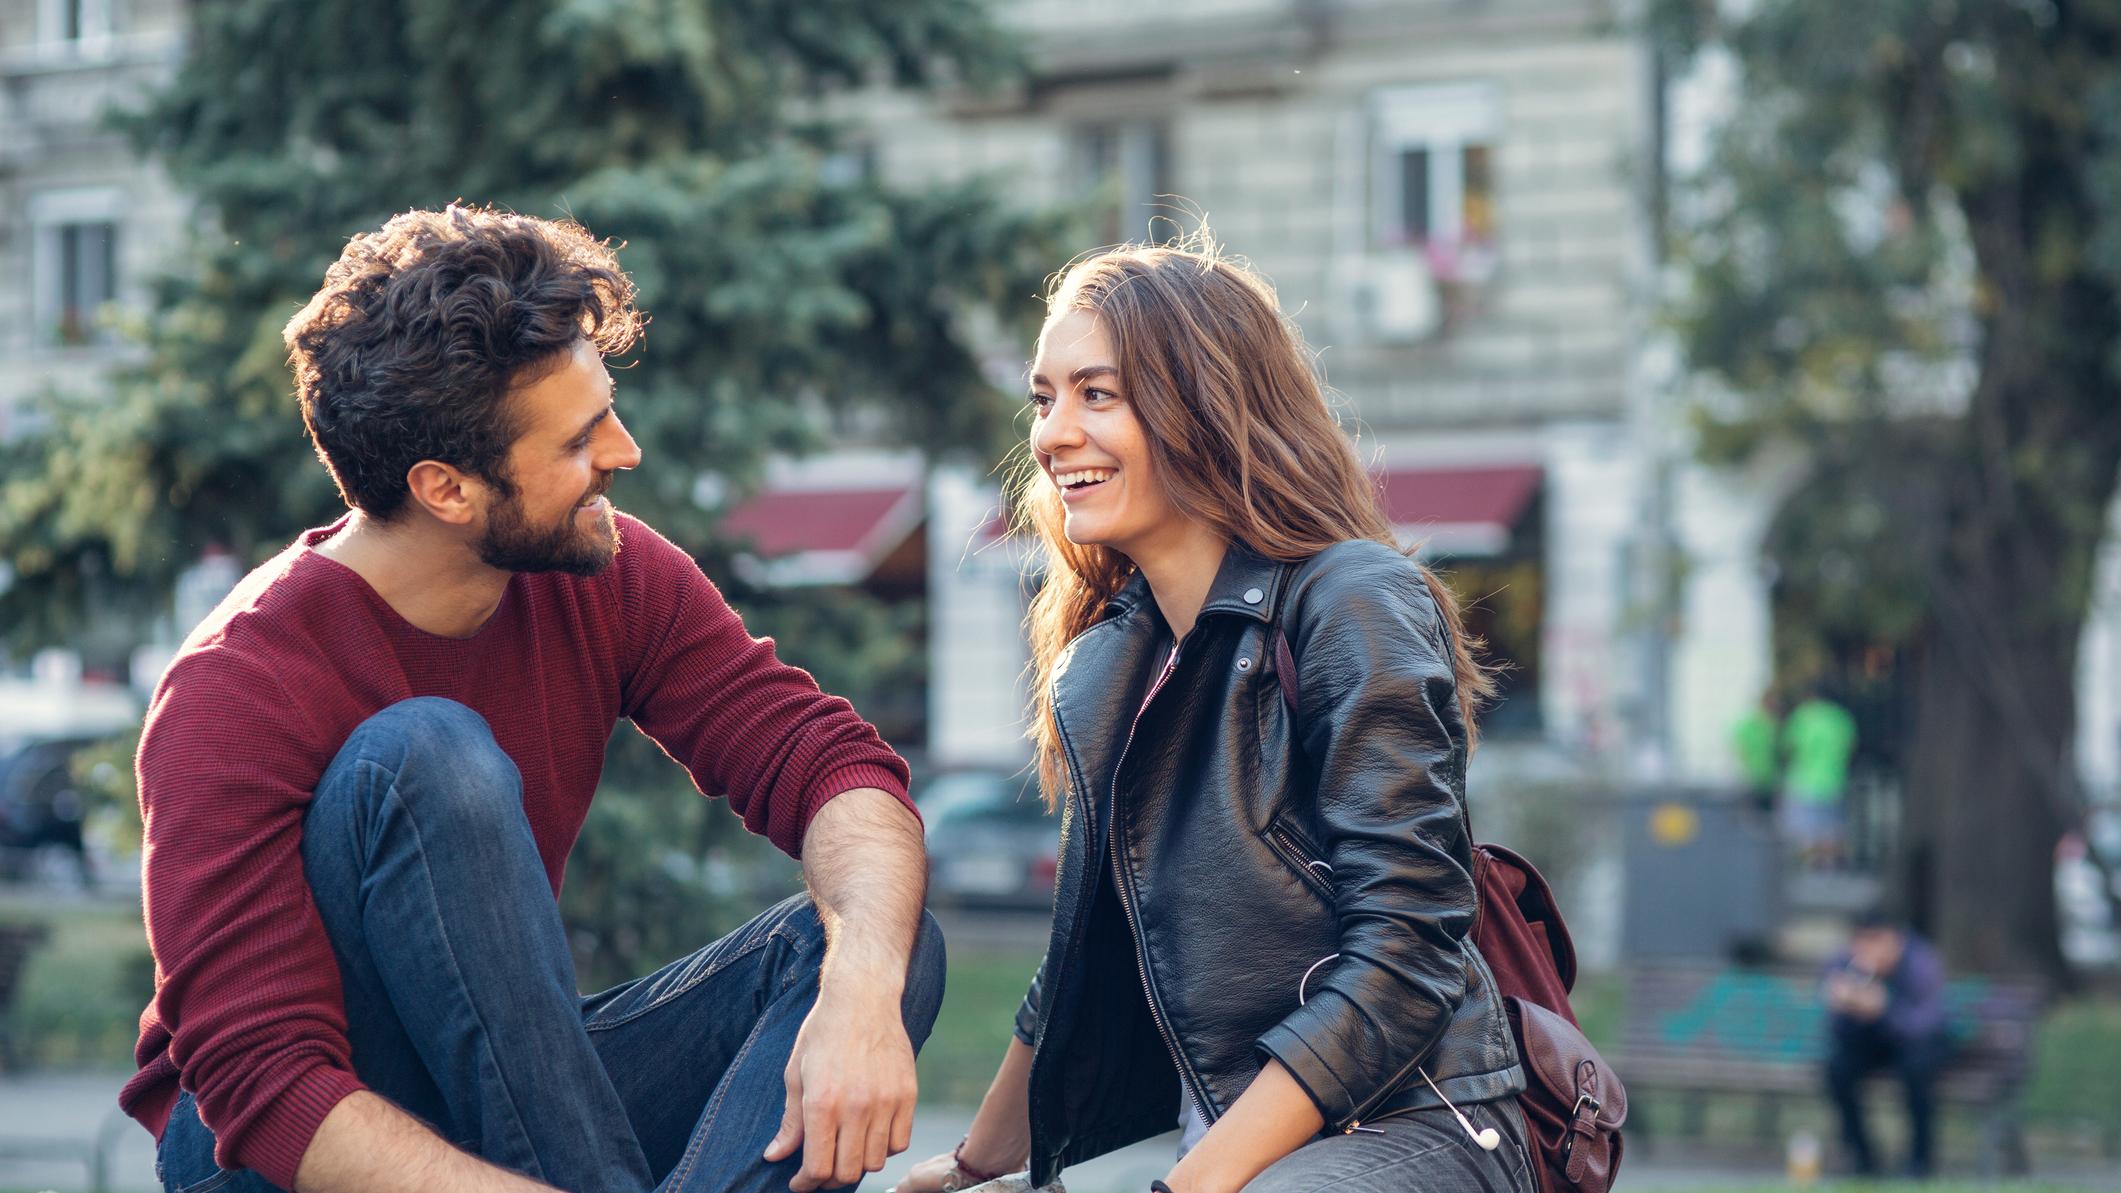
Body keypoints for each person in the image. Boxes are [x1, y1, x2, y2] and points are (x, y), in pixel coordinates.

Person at [126, 206, 944, 1193]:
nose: (626, 450)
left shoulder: (611, 574)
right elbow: (268, 1085)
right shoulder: (237, 682)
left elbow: (828, 765)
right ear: (448, 489)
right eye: (581, 436)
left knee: (869, 942)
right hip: (274, 1142)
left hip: (507, 1091)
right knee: (424, 757)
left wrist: (860, 987)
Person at [891, 237, 1533, 1193]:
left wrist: (1185, 1189)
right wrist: (972, 1168)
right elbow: (1075, 971)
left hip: (1416, 1127)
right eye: (1044, 397)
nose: (1052, 434)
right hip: (1243, 1153)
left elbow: (1406, 955)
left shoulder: (1351, 599)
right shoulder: (1108, 664)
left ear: (1203, 406)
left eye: (1096, 395)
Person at [1821, 910, 1950, 1179]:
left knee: (1917, 1068)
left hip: (1914, 1045)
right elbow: (1837, 1031)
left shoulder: (1920, 963)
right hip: (1871, 1044)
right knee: (1837, 1068)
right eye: (1861, 941)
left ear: (1895, 941)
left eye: (1875, 941)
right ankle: (1862, 1157)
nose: (1868, 950)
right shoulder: (1845, 963)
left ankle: (1919, 1161)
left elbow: (1927, 1026)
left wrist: (1884, 1010)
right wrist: (1845, 1005)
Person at [1781, 692, 1858, 867]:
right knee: (1831, 830)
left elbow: (1788, 747)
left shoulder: (1802, 717)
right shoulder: (1840, 717)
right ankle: (1828, 868)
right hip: (1835, 780)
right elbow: (1851, 747)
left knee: (1805, 832)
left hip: (1803, 781)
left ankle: (1809, 868)